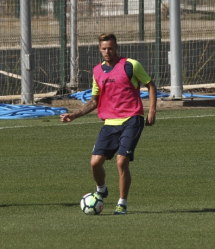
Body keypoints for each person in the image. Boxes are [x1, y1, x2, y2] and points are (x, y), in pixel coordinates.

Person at [60, 33, 157, 215]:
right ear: (100, 49)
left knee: (121, 162)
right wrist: (74, 115)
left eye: (110, 48)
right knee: (95, 163)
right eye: (104, 49)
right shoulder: (97, 71)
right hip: (110, 122)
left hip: (132, 119)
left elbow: (150, 85)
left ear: (116, 48)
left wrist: (151, 111)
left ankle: (122, 204)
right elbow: (94, 101)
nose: (107, 52)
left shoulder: (130, 65)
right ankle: (102, 189)